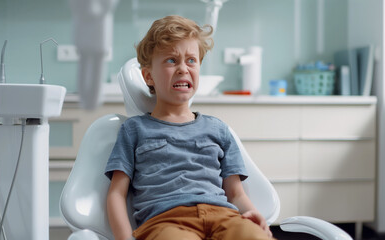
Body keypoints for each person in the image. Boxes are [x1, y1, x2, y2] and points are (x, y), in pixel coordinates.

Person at [105, 15, 274, 240]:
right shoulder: (134, 130)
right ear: (148, 76)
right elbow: (116, 194)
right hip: (165, 221)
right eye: (171, 60)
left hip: (224, 217)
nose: (183, 68)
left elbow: (235, 193)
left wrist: (251, 213)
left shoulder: (219, 129)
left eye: (191, 60)